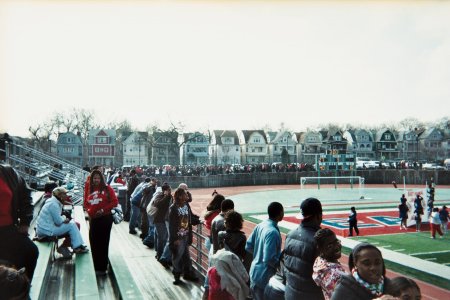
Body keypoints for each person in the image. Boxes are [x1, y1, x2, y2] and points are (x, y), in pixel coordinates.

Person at [0, 164, 39, 282]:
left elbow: (26, 195)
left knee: (30, 251)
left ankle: (22, 289)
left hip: (8, 229)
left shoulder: (8, 172)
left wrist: (25, 222)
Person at [284, 197, 324, 300]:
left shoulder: (290, 235)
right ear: (318, 216)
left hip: (290, 293)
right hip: (310, 295)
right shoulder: (319, 240)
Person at [245, 202, 284, 300]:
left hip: (255, 272)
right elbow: (269, 258)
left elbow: (248, 246)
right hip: (264, 276)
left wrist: (258, 255)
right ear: (280, 213)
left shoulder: (261, 225)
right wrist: (281, 268)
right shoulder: (273, 232)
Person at [36, 187, 88, 258]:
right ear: (59, 195)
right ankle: (76, 247)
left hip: (45, 228)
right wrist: (64, 218)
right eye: (64, 194)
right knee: (72, 225)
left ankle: (75, 245)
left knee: (73, 224)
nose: (66, 196)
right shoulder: (53, 204)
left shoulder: (53, 202)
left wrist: (64, 218)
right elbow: (58, 222)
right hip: (47, 231)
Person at [84, 169, 118, 276]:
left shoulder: (107, 189)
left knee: (103, 243)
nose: (96, 180)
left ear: (101, 178)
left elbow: (115, 202)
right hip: (94, 219)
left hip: (105, 219)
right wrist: (90, 211)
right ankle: (95, 265)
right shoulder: (89, 189)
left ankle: (102, 267)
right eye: (94, 178)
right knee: (94, 242)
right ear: (92, 179)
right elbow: (85, 203)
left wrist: (102, 210)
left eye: (98, 178)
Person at [168, 188, 198, 285]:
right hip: (178, 238)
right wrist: (175, 239)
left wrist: (197, 220)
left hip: (185, 235)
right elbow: (171, 225)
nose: (187, 195)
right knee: (177, 256)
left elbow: (190, 219)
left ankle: (187, 274)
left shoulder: (186, 205)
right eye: (185, 194)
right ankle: (177, 276)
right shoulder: (173, 208)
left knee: (186, 257)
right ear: (180, 196)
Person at [313, 228, 345, 300]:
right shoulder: (335, 275)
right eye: (330, 246)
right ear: (320, 250)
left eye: (336, 241)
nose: (336, 247)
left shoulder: (320, 261)